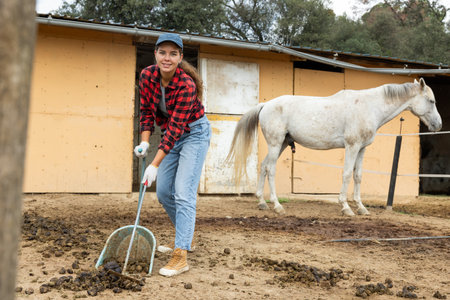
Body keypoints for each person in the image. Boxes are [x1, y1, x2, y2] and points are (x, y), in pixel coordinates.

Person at [134, 33, 211, 277]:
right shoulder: (147, 76)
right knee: (165, 192)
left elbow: (177, 128)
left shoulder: (186, 85)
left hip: (194, 134)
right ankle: (186, 237)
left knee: (183, 194)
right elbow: (146, 111)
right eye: (163, 52)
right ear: (155, 53)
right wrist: (145, 143)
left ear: (180, 58)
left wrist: (154, 165)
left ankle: (181, 256)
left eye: (173, 54)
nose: (167, 58)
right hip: (172, 136)